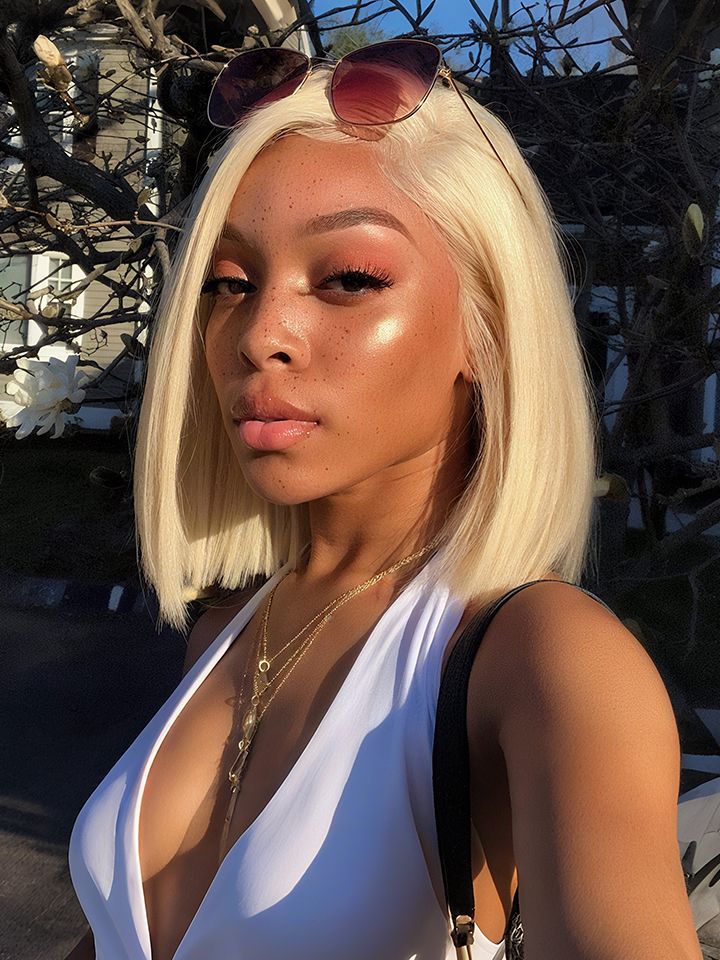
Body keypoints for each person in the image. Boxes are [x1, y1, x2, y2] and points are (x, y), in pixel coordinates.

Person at [65, 40, 701, 960]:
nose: (259, 334)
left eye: (349, 279)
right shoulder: (226, 632)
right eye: (229, 284)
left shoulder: (544, 660)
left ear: (487, 327)